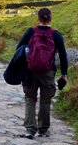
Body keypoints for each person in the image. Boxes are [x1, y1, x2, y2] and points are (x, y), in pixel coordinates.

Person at [16, 7, 68, 138]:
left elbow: (19, 49)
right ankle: (43, 130)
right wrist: (64, 74)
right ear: (51, 18)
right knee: (45, 100)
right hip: (48, 72)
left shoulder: (31, 32)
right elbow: (63, 56)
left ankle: (30, 129)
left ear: (38, 18)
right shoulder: (56, 34)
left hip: (30, 71)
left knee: (30, 98)